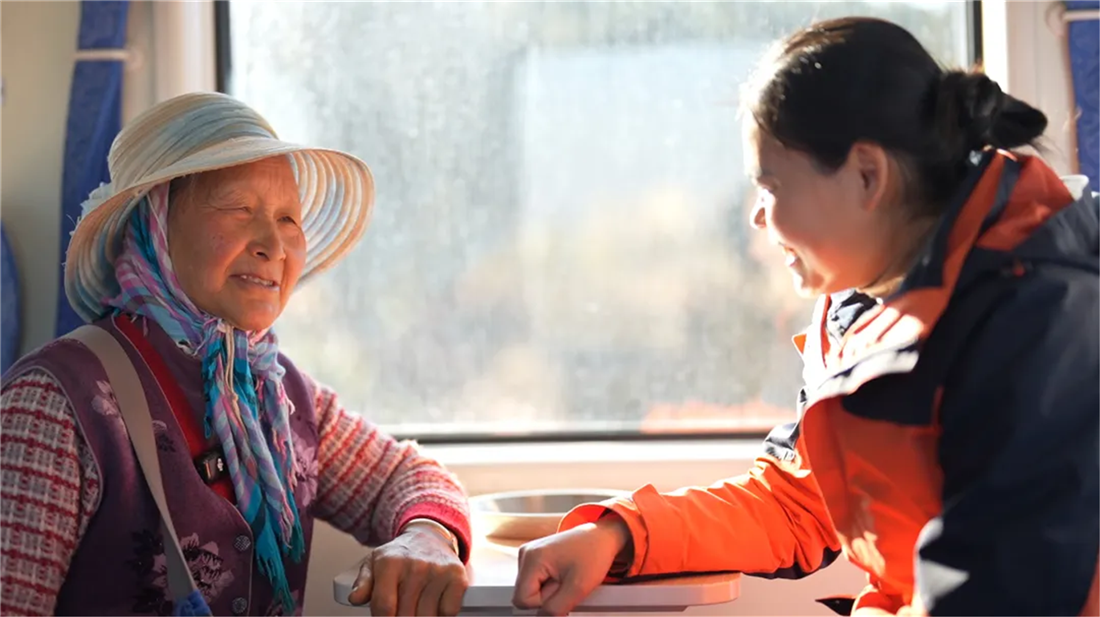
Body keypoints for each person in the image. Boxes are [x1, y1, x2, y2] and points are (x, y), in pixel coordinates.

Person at [512, 17, 1099, 617]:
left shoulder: (1035, 314)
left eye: (770, 188)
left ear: (867, 175)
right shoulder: (863, 301)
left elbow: (1005, 591)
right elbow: (798, 503)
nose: (757, 218)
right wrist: (617, 536)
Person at [1, 92, 471, 617]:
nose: (274, 244)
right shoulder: (51, 404)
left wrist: (427, 535)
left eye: (289, 218)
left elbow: (405, 477)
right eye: (239, 208)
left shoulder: (278, 393)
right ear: (155, 225)